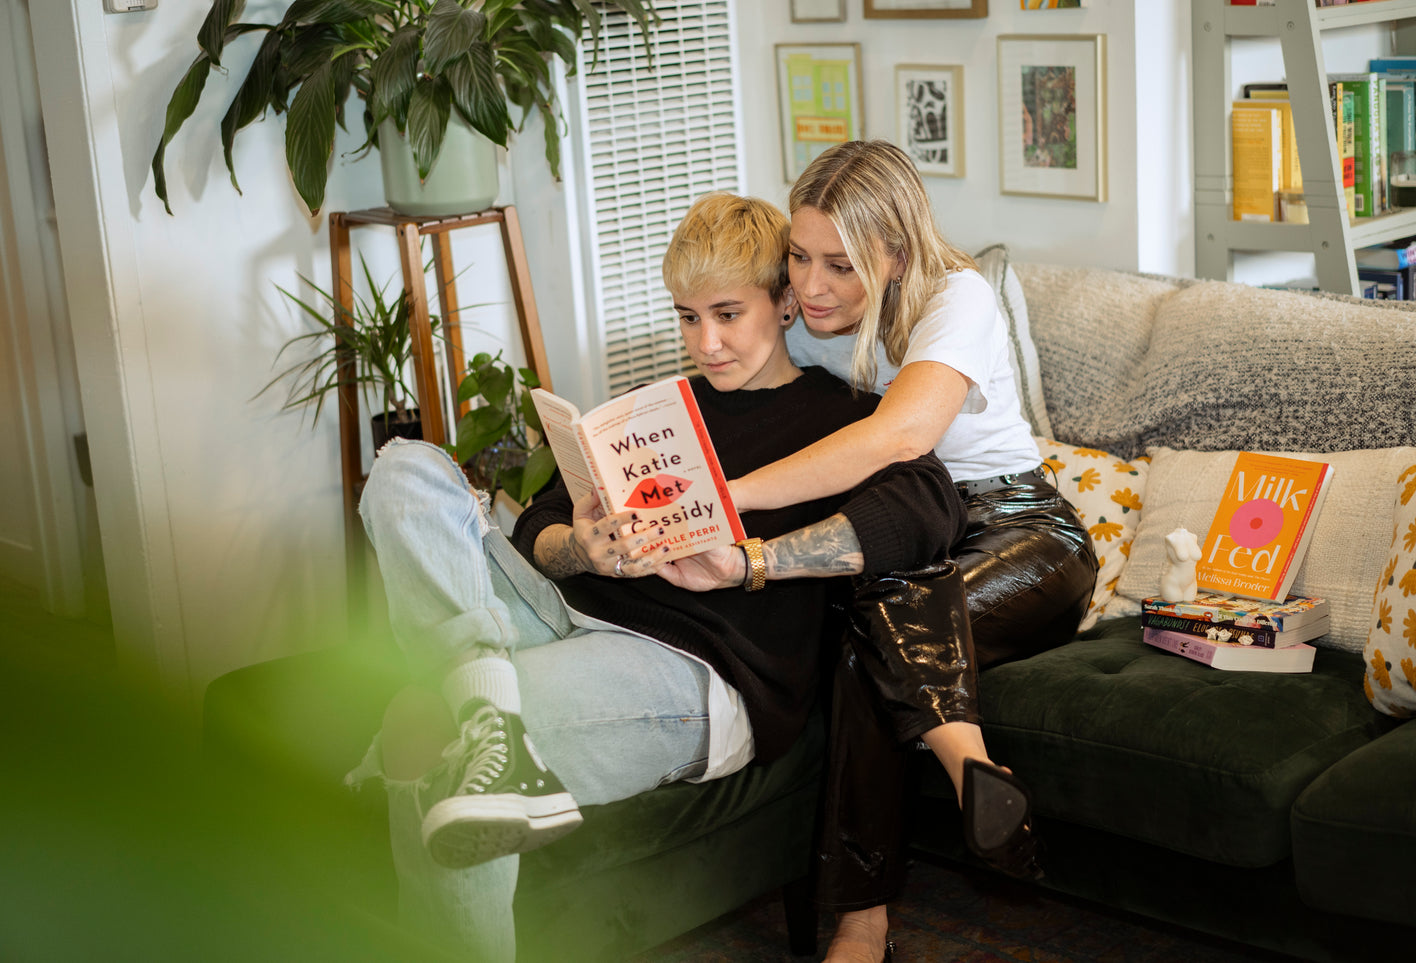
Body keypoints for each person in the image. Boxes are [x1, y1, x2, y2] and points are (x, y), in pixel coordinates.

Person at [352, 191, 965, 960]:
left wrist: (751, 562)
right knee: (405, 467)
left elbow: (926, 512)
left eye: (726, 314)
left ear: (782, 304)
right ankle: (490, 713)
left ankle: (475, 712)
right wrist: (582, 547)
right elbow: (536, 520)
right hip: (562, 608)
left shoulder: (845, 422)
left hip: (693, 668)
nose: (705, 342)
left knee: (419, 720)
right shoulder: (653, 415)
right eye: (686, 317)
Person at [725, 139, 1098, 963]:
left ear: (893, 254)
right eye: (797, 256)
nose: (812, 285)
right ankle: (968, 797)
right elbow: (730, 378)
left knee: (880, 614)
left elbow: (901, 434)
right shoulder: (799, 313)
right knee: (869, 633)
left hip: (1022, 530)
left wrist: (733, 498)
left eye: (841, 264)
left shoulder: (954, 296)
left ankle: (866, 922)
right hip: (904, 532)